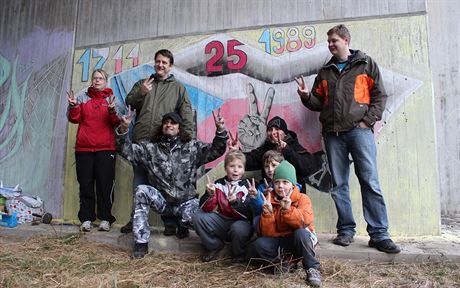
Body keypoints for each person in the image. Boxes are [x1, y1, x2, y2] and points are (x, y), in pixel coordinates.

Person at [296, 24, 400, 253]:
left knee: (369, 181)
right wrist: (306, 97)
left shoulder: (365, 64)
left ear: (346, 40)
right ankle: (345, 230)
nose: (331, 44)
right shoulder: (325, 72)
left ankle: (379, 234)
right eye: (329, 41)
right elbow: (317, 103)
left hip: (359, 132)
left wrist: (367, 121)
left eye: (334, 40)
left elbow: (379, 96)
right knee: (339, 184)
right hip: (333, 135)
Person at [116, 110, 227, 259]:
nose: (169, 125)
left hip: (186, 202)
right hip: (163, 203)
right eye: (166, 122)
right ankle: (141, 245)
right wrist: (123, 129)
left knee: (196, 219)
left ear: (179, 127)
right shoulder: (150, 148)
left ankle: (212, 243)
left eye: (173, 122)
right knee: (141, 190)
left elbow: (216, 150)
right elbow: (127, 151)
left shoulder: (192, 147)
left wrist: (220, 131)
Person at [121, 49, 195, 234]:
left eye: (164, 62)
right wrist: (141, 93)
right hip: (140, 141)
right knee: (138, 182)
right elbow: (129, 102)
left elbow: (186, 114)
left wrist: (188, 139)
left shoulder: (178, 88)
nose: (160, 65)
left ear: (170, 66)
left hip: (163, 144)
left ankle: (169, 222)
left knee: (165, 183)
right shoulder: (143, 83)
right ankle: (135, 219)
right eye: (158, 61)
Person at [247, 160, 322, 287]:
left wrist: (288, 211)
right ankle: (284, 263)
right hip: (280, 241)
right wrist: (268, 214)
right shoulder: (269, 199)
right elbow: (268, 234)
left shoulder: (302, 198)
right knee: (259, 244)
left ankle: (312, 268)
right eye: (277, 182)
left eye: (285, 182)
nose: (280, 186)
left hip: (299, 241)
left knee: (301, 233)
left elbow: (304, 222)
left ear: (292, 185)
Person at [67, 69, 120, 232]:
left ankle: (105, 219)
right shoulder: (82, 98)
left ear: (106, 81)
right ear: (92, 81)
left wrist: (112, 110)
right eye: (95, 78)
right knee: (86, 184)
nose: (97, 81)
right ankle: (86, 219)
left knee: (105, 185)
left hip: (106, 149)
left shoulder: (112, 99)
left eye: (101, 78)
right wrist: (74, 106)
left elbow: (116, 122)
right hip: (84, 149)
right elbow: (74, 119)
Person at [231, 116, 331, 192]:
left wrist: (286, 150)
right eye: (270, 130)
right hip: (270, 196)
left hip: (293, 198)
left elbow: (307, 168)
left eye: (277, 129)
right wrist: (236, 152)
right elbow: (251, 161)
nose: (273, 132)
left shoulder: (294, 147)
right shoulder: (266, 148)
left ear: (285, 133)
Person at [193, 150, 253, 263]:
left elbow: (248, 213)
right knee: (198, 217)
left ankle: (238, 255)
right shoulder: (218, 184)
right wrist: (209, 194)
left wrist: (235, 202)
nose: (235, 170)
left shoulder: (246, 186)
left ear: (244, 170)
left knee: (238, 228)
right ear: (225, 168)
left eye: (239, 167)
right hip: (222, 221)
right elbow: (206, 208)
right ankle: (214, 245)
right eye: (232, 166)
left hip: (241, 223)